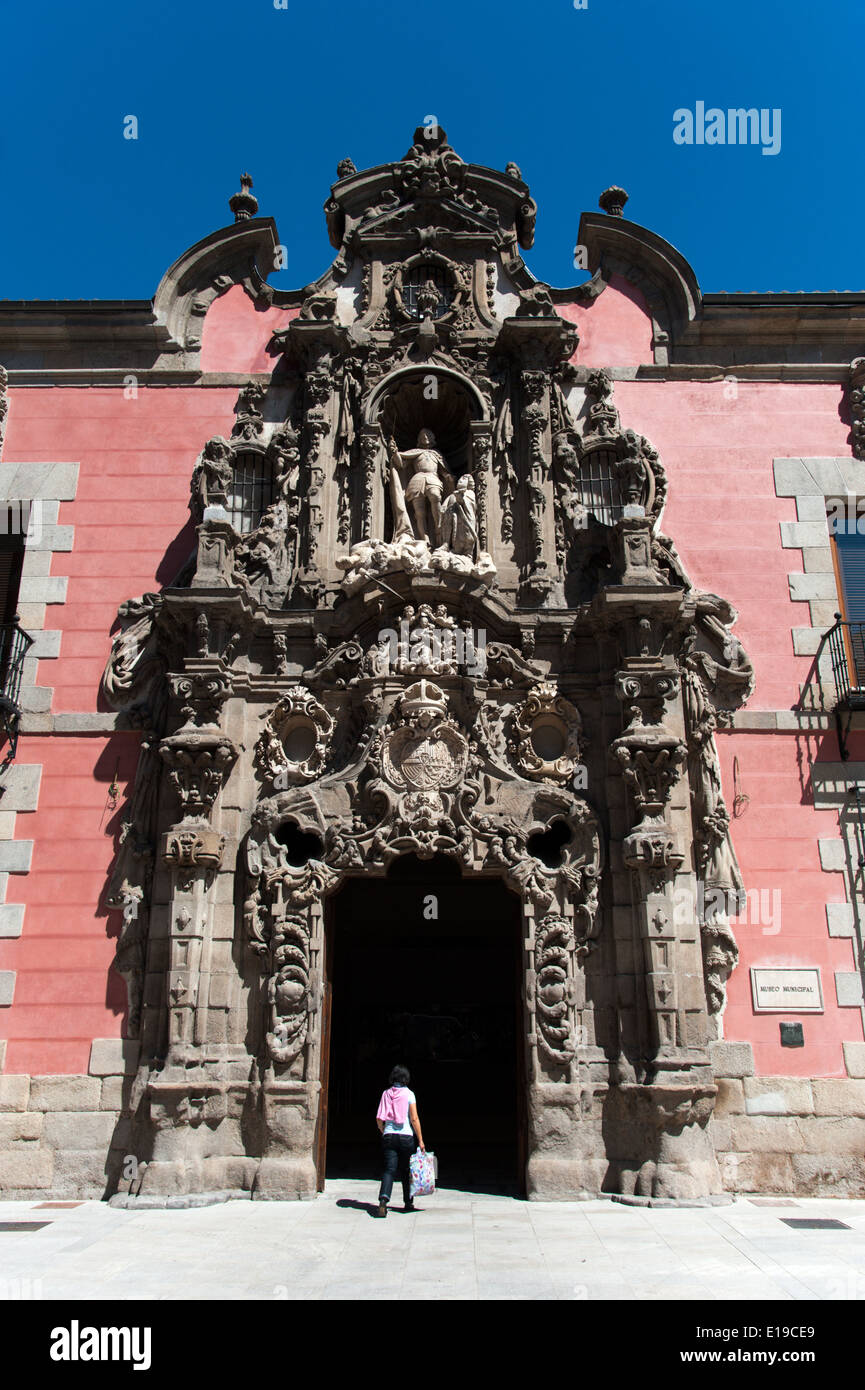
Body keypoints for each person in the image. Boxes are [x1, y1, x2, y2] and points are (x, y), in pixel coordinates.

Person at [374, 1064, 425, 1218]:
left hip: (389, 1136)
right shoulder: (409, 1094)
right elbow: (414, 1118)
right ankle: (408, 1202)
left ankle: (383, 1200)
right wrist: (421, 1140)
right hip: (406, 1137)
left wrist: (384, 1131)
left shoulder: (386, 1093)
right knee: (406, 1170)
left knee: (389, 1170)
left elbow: (378, 1118)